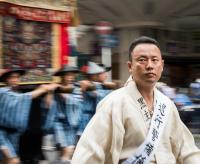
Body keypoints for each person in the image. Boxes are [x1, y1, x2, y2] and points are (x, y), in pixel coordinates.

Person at [72, 36, 200, 164]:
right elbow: (89, 152)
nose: (150, 65)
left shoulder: (167, 105)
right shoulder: (114, 102)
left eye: (155, 60)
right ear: (130, 66)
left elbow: (187, 150)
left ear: (162, 65)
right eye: (142, 60)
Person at [0, 69, 59, 164]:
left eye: (17, 77)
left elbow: (46, 105)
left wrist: (49, 92)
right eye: (11, 77)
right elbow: (21, 99)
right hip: (1, 133)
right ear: (6, 80)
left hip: (13, 135)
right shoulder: (3, 92)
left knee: (5, 160)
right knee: (13, 160)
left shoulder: (17, 93)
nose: (15, 80)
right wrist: (41, 89)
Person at [45, 65, 83, 163]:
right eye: (67, 75)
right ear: (62, 76)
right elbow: (48, 105)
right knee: (65, 150)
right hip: (58, 123)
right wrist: (50, 91)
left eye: (72, 75)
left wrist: (62, 93)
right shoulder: (55, 88)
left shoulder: (76, 88)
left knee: (69, 151)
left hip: (72, 124)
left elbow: (77, 102)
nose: (70, 77)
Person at [78, 61, 113, 136]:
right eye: (103, 73)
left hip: (99, 119)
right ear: (94, 76)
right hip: (87, 119)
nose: (106, 75)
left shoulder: (103, 86)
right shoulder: (88, 85)